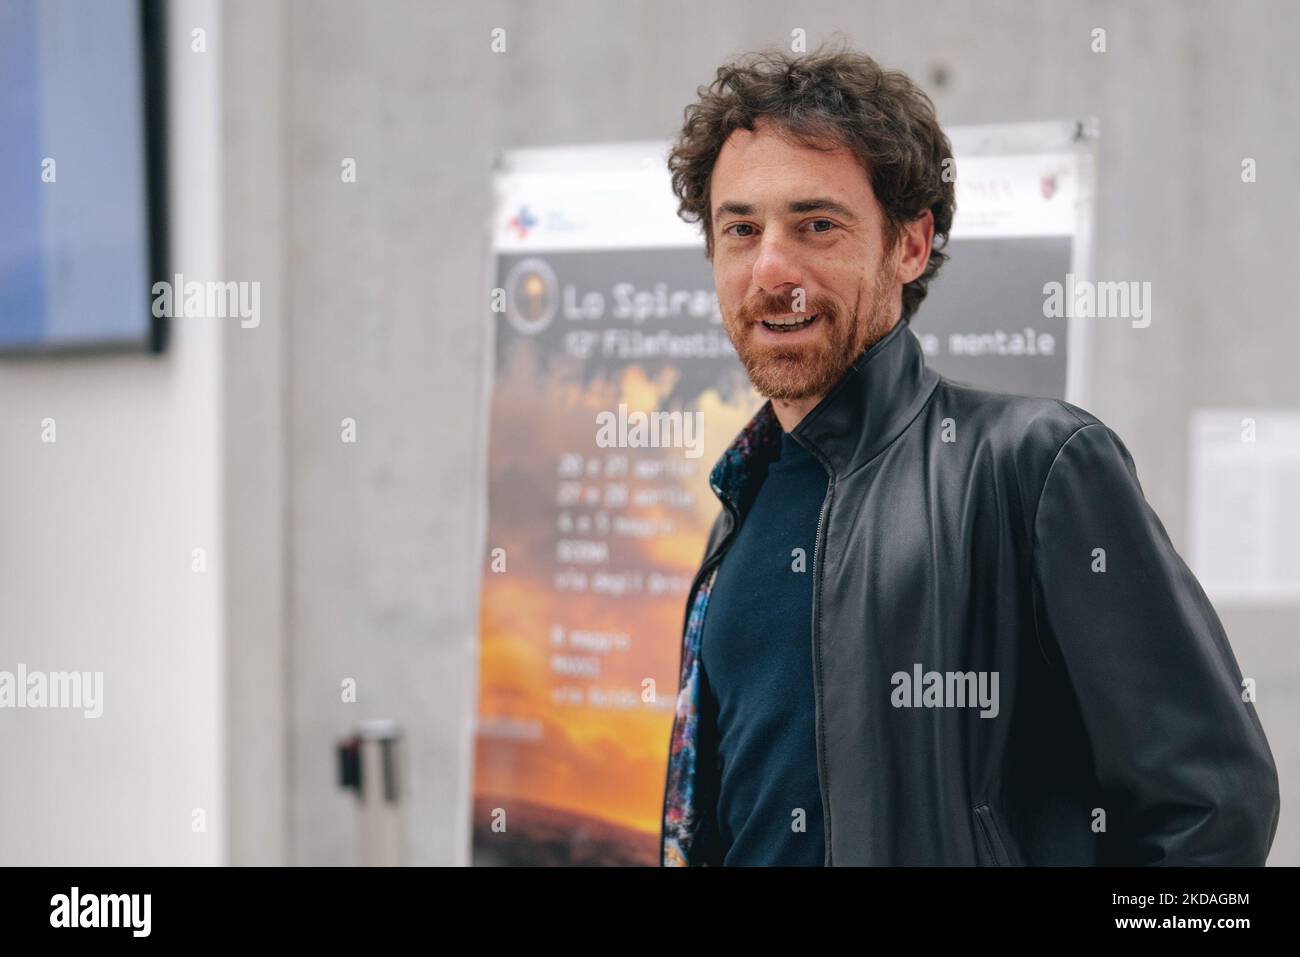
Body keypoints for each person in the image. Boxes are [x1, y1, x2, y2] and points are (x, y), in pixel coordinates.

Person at [658, 44, 1280, 866]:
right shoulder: (741, 507)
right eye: (741, 229)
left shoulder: (1038, 465)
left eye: (816, 225)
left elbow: (1214, 812)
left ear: (910, 245)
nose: (773, 268)